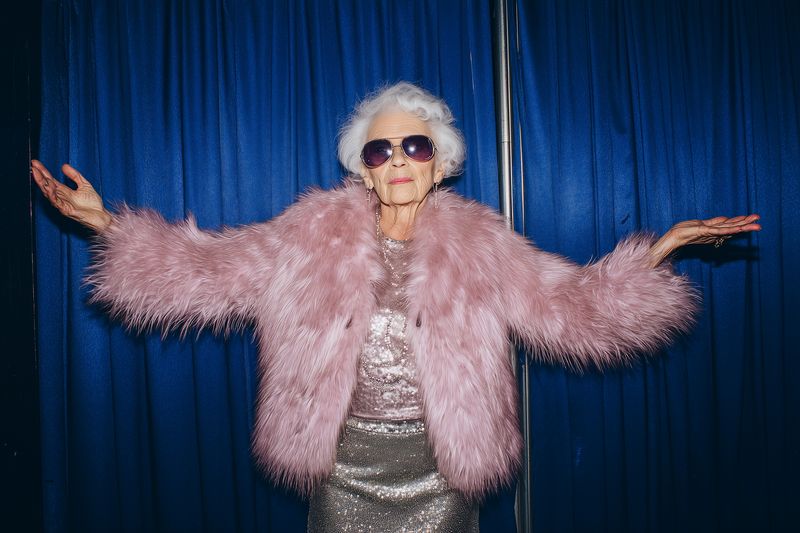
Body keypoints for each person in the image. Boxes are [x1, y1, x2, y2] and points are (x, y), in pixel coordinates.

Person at [31, 82, 760, 532]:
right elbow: (202, 269)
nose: (399, 160)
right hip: (344, 470)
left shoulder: (483, 242)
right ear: (362, 169)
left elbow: (573, 306)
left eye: (415, 145)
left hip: (442, 473)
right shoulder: (308, 235)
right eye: (381, 151)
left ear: (441, 162)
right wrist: (105, 225)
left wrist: (659, 250)